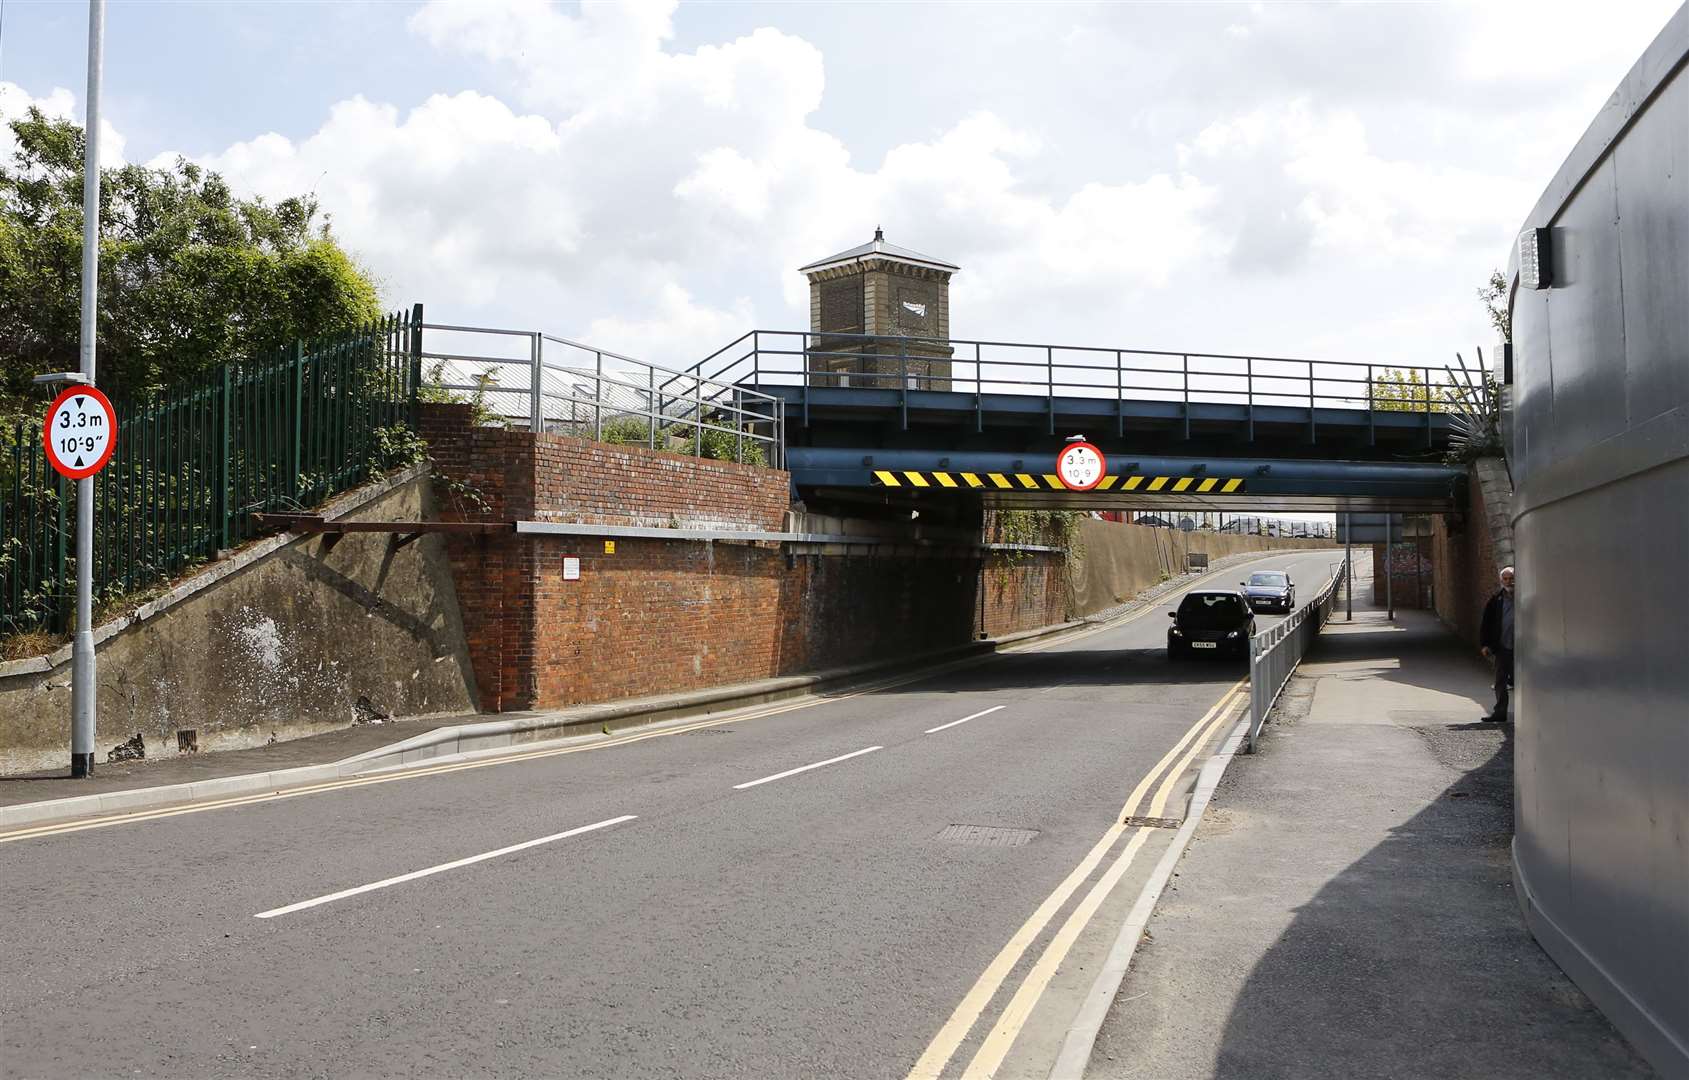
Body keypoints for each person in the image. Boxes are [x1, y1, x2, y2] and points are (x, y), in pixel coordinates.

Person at [1479, 566, 1515, 723]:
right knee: (1500, 680)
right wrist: (1485, 644)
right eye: (1505, 579)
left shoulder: (1526, 596)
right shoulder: (1495, 599)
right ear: (1501, 581)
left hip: (1526, 647)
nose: (1509, 581)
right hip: (1503, 646)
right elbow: (1486, 623)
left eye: (1511, 578)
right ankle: (1500, 712)